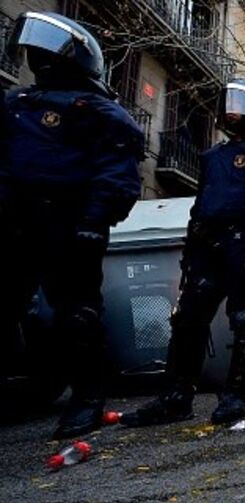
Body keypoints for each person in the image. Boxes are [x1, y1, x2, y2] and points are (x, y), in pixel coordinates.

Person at [0, 12, 143, 438]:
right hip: (13, 222)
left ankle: (87, 398)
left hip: (67, 222)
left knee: (77, 314)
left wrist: (95, 220)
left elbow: (116, 173)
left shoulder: (102, 114)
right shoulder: (15, 105)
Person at [122, 78, 245, 427]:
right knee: (187, 319)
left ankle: (234, 397)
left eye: (241, 104)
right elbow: (201, 205)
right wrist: (192, 248)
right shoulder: (213, 157)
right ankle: (176, 396)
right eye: (229, 103)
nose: (232, 111)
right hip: (208, 246)